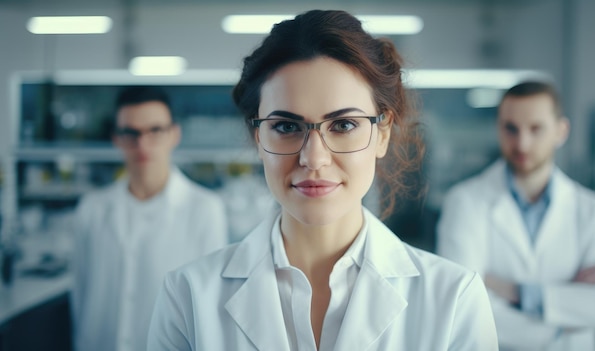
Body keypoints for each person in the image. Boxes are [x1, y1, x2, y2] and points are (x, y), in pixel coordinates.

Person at [148, 9, 497, 351]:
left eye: (343, 125)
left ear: (383, 134)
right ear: (258, 138)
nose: (313, 158)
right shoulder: (188, 297)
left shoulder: (454, 298)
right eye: (286, 127)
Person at [437, 81, 595, 351]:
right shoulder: (464, 202)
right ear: (498, 128)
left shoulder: (592, 209)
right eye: (511, 128)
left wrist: (512, 290)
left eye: (536, 129)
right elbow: (464, 304)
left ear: (561, 131)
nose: (522, 143)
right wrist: (560, 322)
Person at [71, 86, 229, 351]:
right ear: (116, 138)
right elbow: (80, 296)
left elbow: (209, 304)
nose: (142, 144)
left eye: (155, 131)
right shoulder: (92, 209)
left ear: (174, 135)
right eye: (130, 133)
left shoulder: (205, 209)